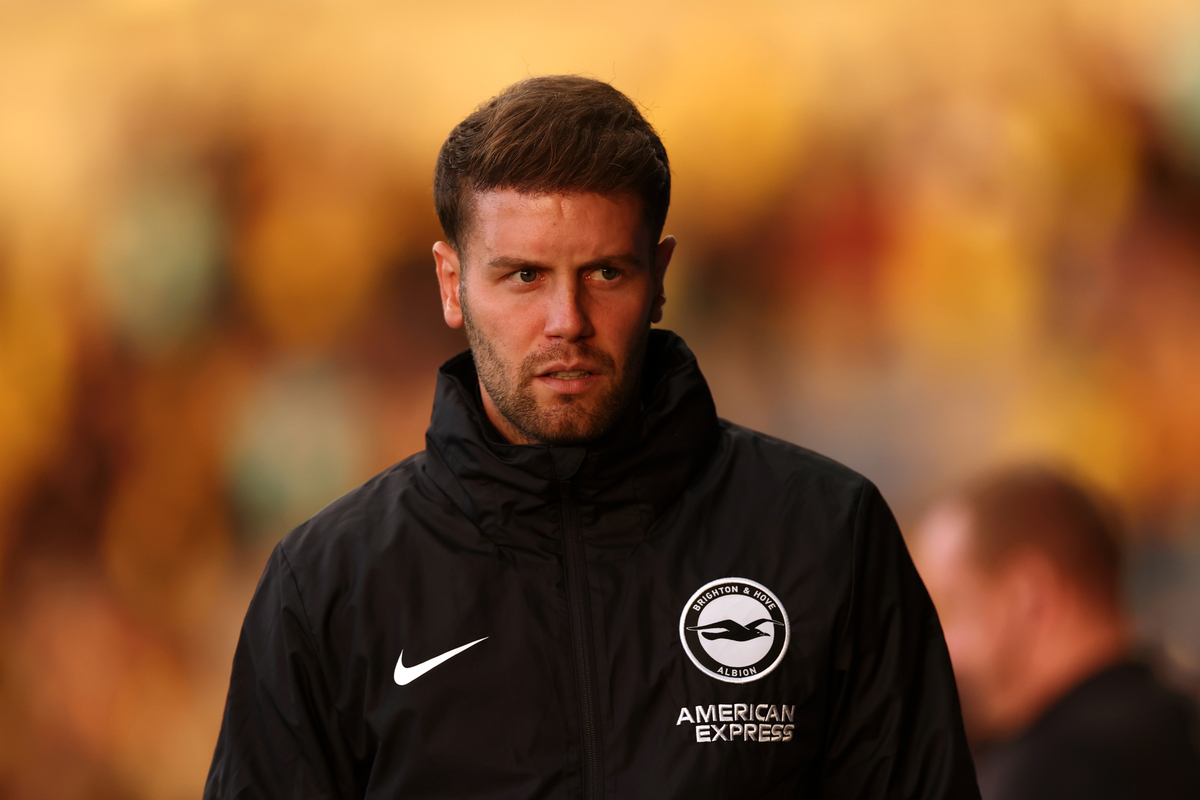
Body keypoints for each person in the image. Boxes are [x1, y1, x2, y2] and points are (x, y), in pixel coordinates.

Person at [204, 75, 979, 799]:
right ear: (452, 283)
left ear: (661, 273)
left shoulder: (826, 534)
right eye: (524, 277)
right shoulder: (330, 585)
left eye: (605, 273)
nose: (566, 321)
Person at [912, 465, 1200, 800]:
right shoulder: (1177, 725)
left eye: (951, 609)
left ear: (1028, 598)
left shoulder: (1049, 774)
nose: (938, 646)